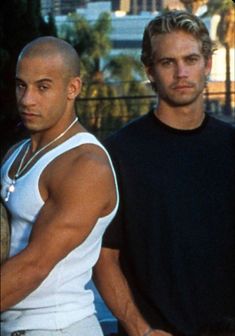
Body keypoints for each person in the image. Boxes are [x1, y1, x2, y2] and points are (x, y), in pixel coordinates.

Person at [94, 10, 235, 336]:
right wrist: (140, 328)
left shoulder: (230, 146)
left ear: (207, 65)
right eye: (168, 62)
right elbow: (103, 258)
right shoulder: (119, 152)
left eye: (191, 59)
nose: (182, 72)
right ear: (150, 71)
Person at [0, 36, 119, 336]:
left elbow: (34, 266)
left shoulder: (85, 165)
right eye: (21, 85)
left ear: (73, 88)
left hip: (58, 328)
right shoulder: (16, 153)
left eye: (43, 87)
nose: (27, 99)